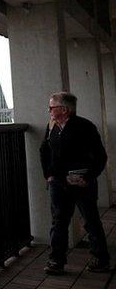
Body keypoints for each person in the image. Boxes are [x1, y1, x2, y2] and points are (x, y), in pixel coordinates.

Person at [40, 91, 110, 274]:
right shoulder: (51, 126)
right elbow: (44, 151)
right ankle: (56, 261)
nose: (49, 110)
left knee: (91, 220)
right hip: (58, 183)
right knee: (59, 222)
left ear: (64, 109)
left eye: (51, 107)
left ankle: (101, 259)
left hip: (82, 183)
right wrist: (48, 175)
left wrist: (87, 178)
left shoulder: (85, 127)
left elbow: (100, 156)